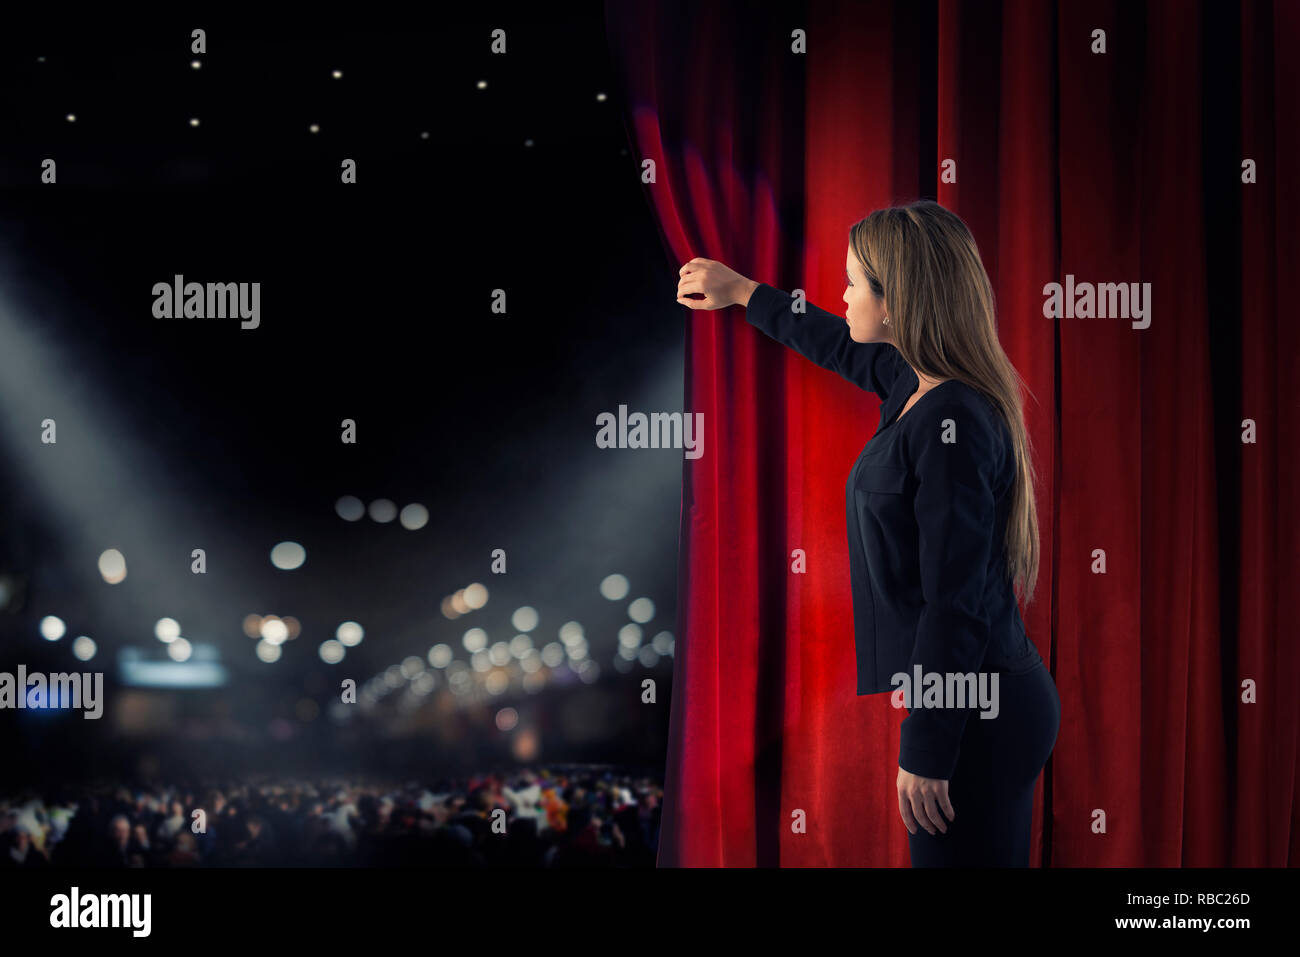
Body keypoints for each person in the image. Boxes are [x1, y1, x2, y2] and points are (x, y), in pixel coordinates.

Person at [674, 199, 1061, 866]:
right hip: (976, 698)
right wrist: (744, 293)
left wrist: (929, 746)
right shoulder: (919, 384)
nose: (843, 293)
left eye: (854, 281)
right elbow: (836, 345)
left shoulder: (953, 424)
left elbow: (955, 599)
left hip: (979, 719)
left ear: (895, 302)